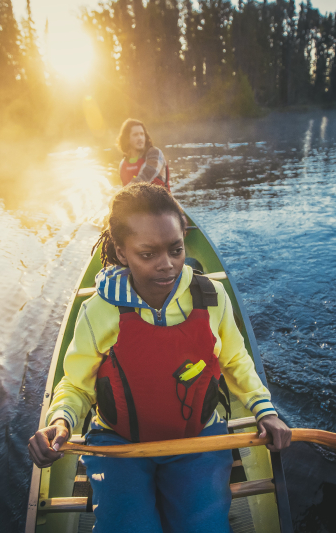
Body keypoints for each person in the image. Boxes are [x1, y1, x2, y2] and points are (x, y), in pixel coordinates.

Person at [28, 183, 292, 533]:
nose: (167, 265)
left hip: (198, 438)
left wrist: (265, 410)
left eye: (176, 249)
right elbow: (76, 384)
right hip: (119, 443)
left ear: (184, 239)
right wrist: (61, 420)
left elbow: (235, 361)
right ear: (122, 253)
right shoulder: (99, 311)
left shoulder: (212, 297)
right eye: (148, 254)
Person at [117, 118, 170, 190]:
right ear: (127, 139)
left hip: (162, 200)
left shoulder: (155, 153)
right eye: (135, 135)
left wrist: (119, 195)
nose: (140, 138)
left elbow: (144, 179)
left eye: (142, 134)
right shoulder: (123, 164)